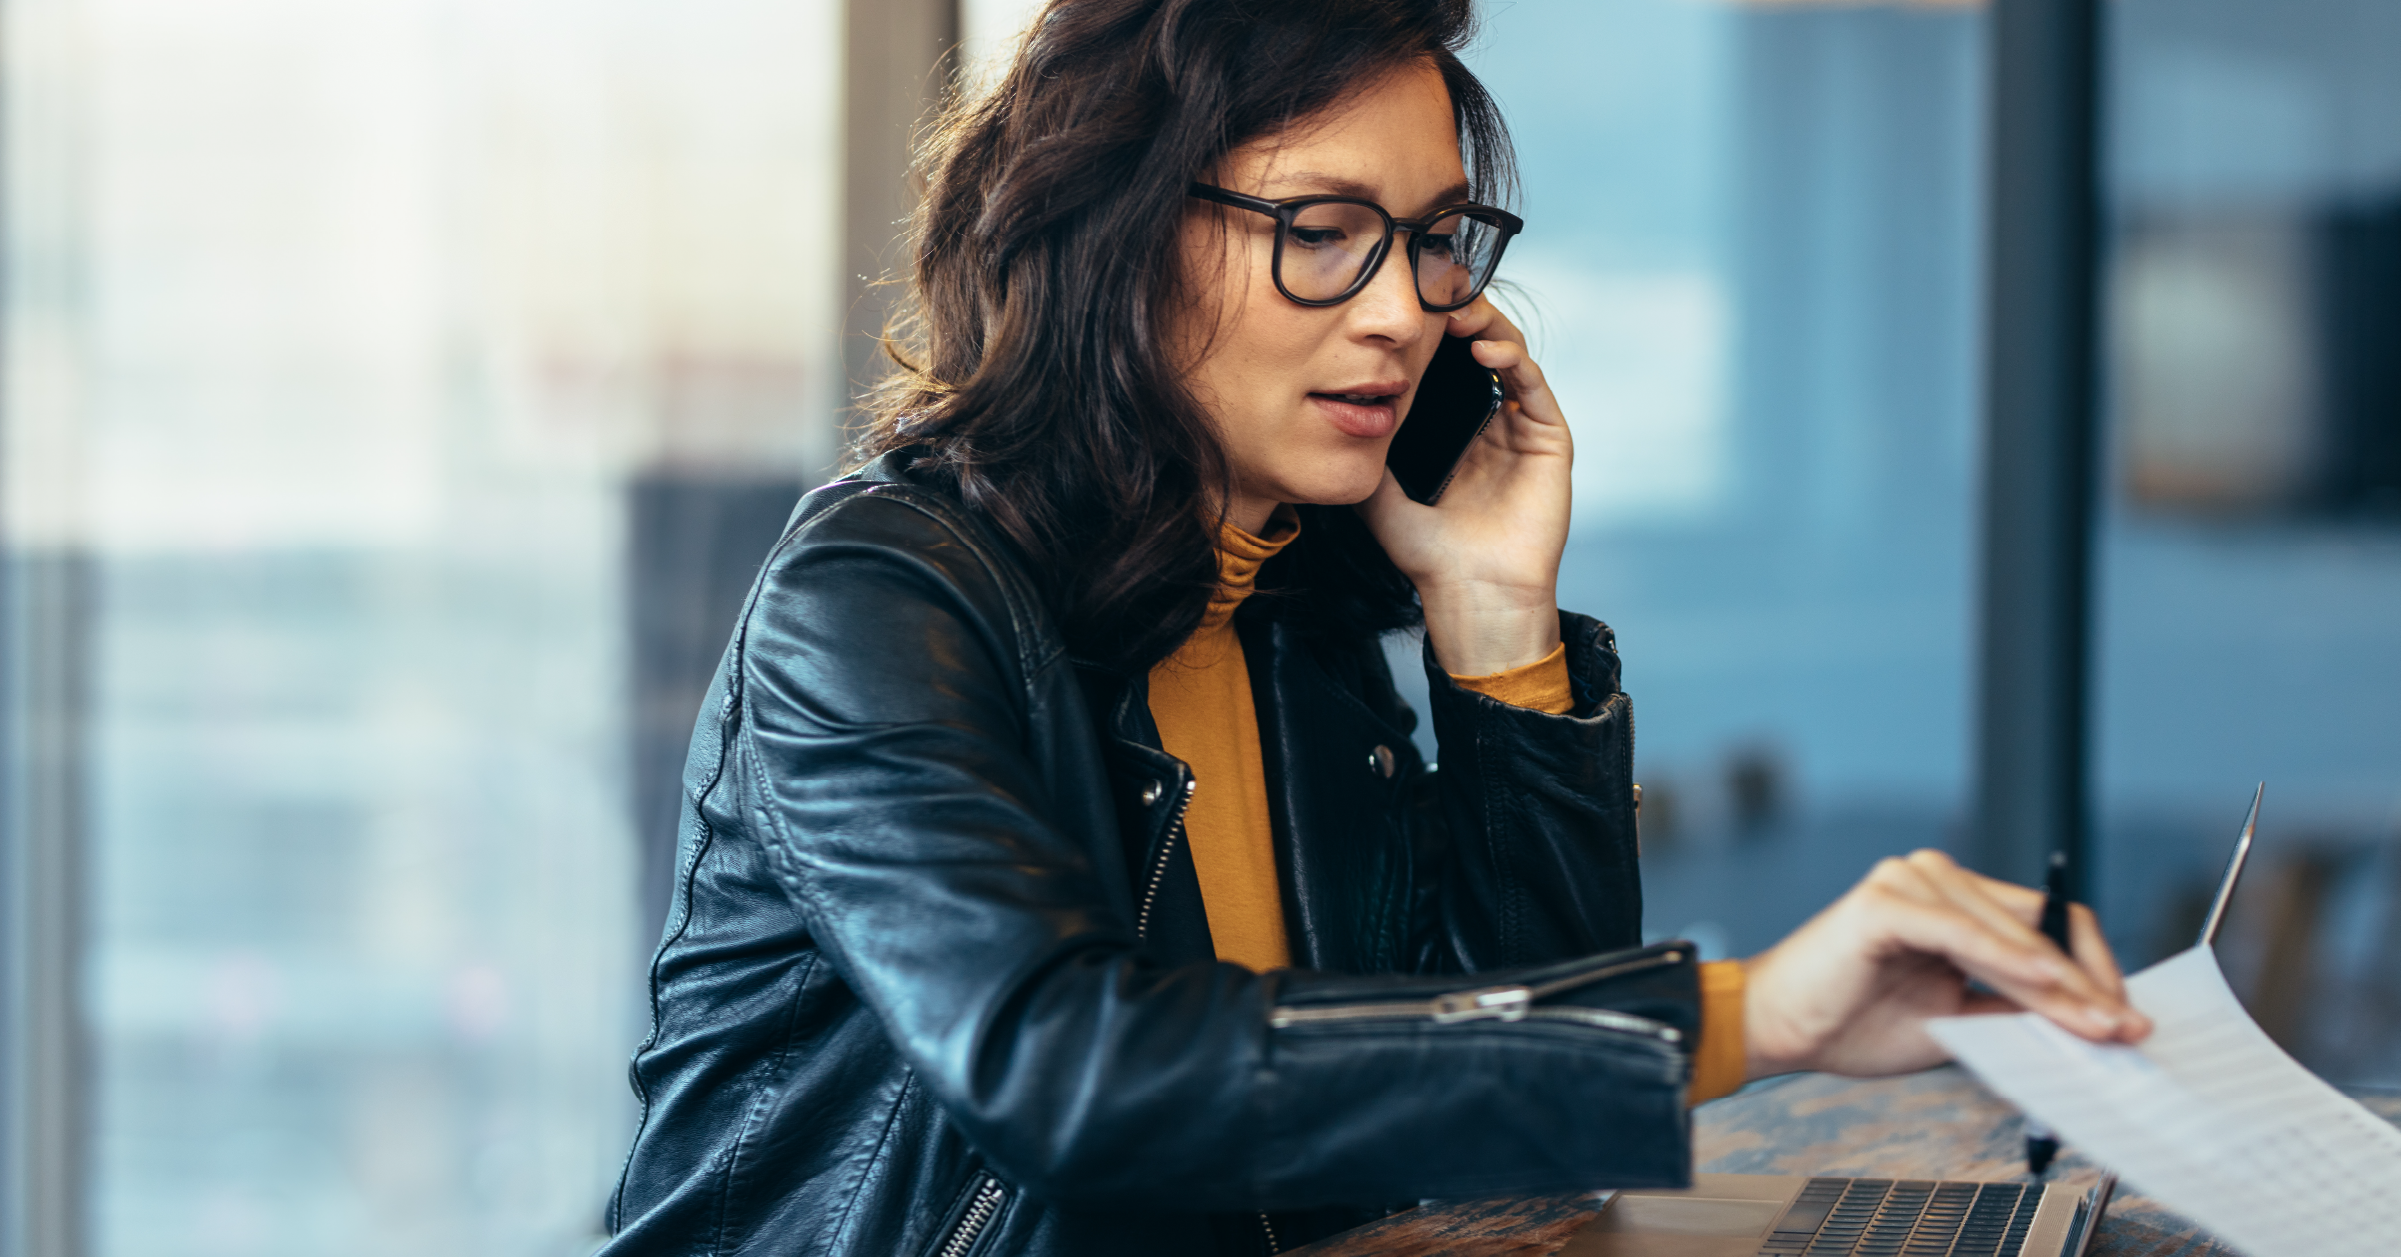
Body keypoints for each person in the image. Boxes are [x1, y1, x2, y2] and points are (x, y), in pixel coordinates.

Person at [600, 2, 2150, 1254]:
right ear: (1118, 235)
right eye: (1325, 227)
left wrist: (1492, 620)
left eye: (1432, 238)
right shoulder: (879, 597)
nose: (1408, 307)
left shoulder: (1292, 622)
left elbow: (1507, 1140)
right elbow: (1074, 1070)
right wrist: (1737, 1014)